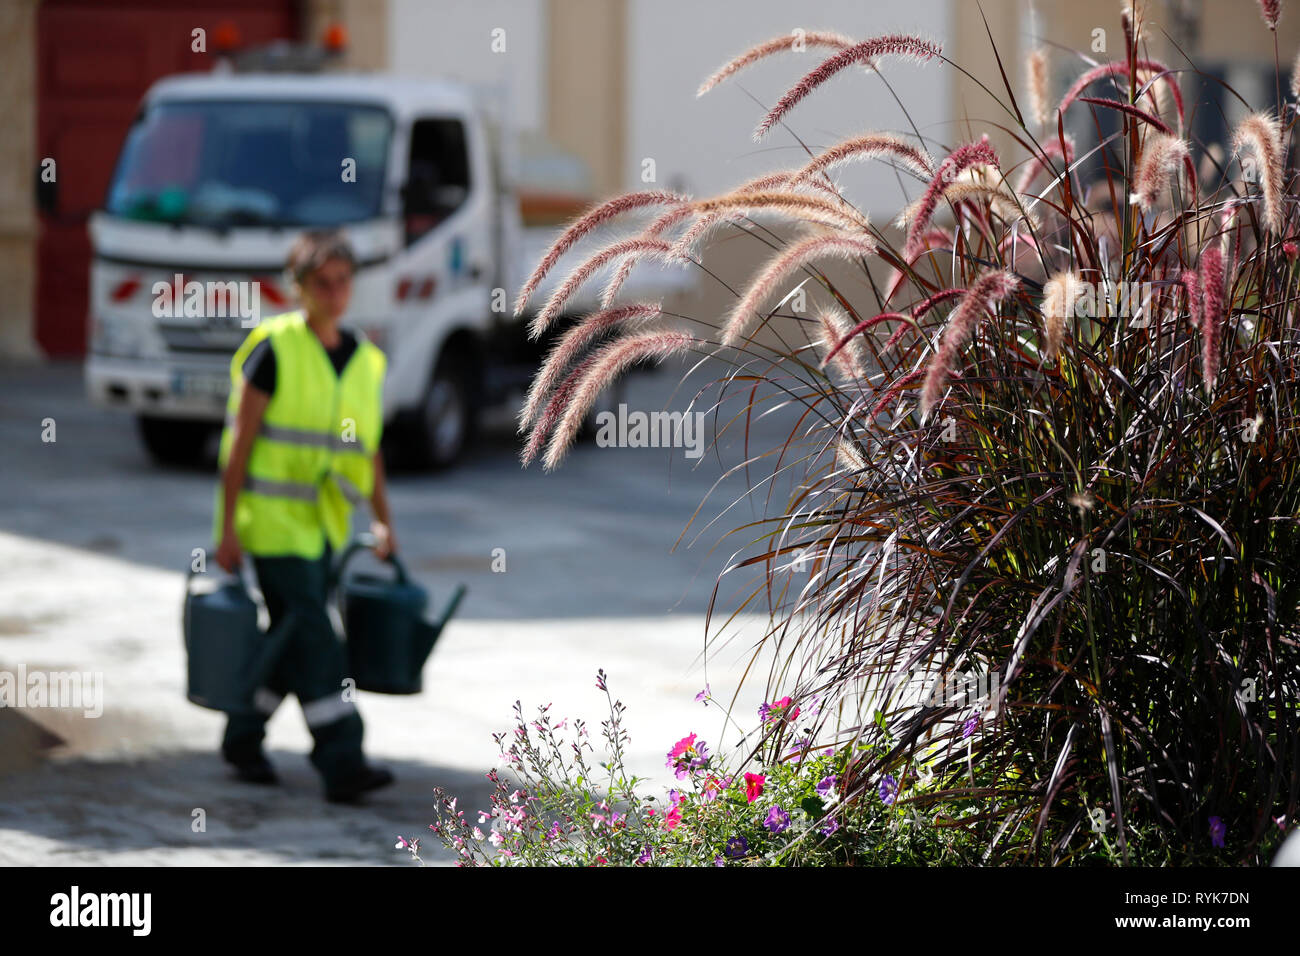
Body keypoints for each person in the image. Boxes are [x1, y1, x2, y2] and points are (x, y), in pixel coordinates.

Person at [212, 230, 396, 803]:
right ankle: (343, 761)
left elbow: (369, 452)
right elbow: (237, 447)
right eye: (323, 283)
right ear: (297, 287)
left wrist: (384, 521)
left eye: (344, 281)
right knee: (319, 641)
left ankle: (242, 736)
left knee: (292, 635)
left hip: (326, 530)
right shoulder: (274, 349)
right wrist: (225, 530)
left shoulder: (366, 360)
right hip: (271, 527)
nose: (336, 293)